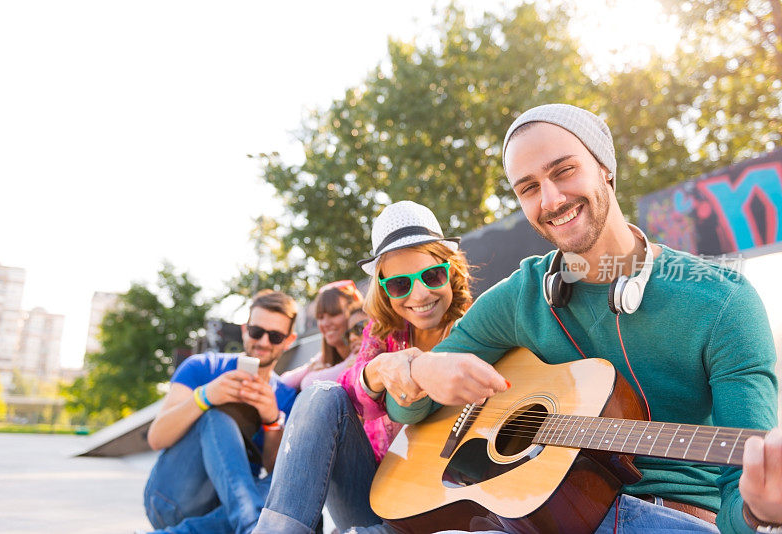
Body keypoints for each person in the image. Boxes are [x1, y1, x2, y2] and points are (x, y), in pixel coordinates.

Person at [386, 104, 781, 533]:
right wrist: (421, 369)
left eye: (564, 171)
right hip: (541, 515)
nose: (551, 199)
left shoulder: (723, 301)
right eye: (529, 187)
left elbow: (740, 494)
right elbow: (406, 410)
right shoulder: (521, 297)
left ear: (605, 166)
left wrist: (758, 512)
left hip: (669, 516)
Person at [254, 200, 480, 534]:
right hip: (370, 493)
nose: (419, 294)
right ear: (385, 290)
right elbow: (344, 401)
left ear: (452, 272)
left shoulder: (478, 329)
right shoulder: (383, 333)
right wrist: (376, 370)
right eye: (401, 284)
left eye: (432, 275)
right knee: (322, 394)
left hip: (438, 505)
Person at [143, 290, 299, 534]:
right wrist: (205, 397)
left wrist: (272, 420)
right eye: (257, 332)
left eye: (276, 336)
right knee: (215, 416)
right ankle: (251, 524)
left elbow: (273, 473)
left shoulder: (286, 399)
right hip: (174, 498)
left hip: (223, 514)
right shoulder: (203, 366)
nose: (264, 342)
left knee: (292, 479)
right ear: (245, 329)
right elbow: (157, 438)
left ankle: (246, 521)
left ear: (289, 341)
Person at [281, 280, 363, 392]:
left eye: (334, 314)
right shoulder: (325, 357)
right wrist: (311, 368)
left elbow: (308, 383)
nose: (325, 323)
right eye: (320, 317)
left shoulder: (363, 348)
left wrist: (316, 373)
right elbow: (284, 381)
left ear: (354, 315)